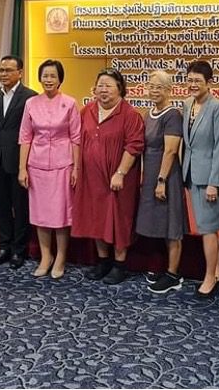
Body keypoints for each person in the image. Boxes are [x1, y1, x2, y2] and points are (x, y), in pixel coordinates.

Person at [72, 69, 145, 285]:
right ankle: (102, 261)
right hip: (91, 178)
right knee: (96, 217)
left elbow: (134, 146)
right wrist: (76, 167)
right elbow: (76, 141)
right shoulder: (87, 111)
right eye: (100, 85)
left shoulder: (130, 114)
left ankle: (119, 264)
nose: (103, 90)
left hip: (118, 179)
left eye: (108, 85)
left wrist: (120, 172)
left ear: (120, 88)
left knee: (119, 219)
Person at [17, 59, 80, 278]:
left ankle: (61, 256)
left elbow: (76, 138)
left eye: (53, 76)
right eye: (45, 75)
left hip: (63, 165)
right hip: (37, 164)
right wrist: (22, 168)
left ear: (60, 78)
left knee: (61, 214)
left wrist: (76, 168)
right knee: (41, 214)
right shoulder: (31, 103)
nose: (48, 80)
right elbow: (25, 137)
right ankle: (46, 256)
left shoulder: (70, 103)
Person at [136, 70, 187, 295]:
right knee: (158, 223)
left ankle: (174, 274)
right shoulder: (149, 113)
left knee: (171, 226)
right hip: (151, 176)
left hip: (166, 177)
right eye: (151, 86)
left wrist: (161, 180)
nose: (154, 91)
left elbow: (170, 150)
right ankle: (163, 269)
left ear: (169, 90)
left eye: (159, 87)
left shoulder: (173, 115)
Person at [181, 60, 219, 298]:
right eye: (190, 80)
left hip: (210, 178)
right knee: (207, 228)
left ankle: (209, 277)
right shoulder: (187, 103)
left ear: (209, 83)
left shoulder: (217, 107)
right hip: (191, 173)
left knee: (208, 229)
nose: (193, 85)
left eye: (198, 81)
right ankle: (218, 271)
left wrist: (215, 182)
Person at [0, 55, 37, 269]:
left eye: (8, 70)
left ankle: (19, 250)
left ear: (20, 72)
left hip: (19, 161)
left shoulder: (30, 97)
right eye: (1, 70)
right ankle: (3, 247)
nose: (3, 74)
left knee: (20, 206)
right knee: (2, 206)